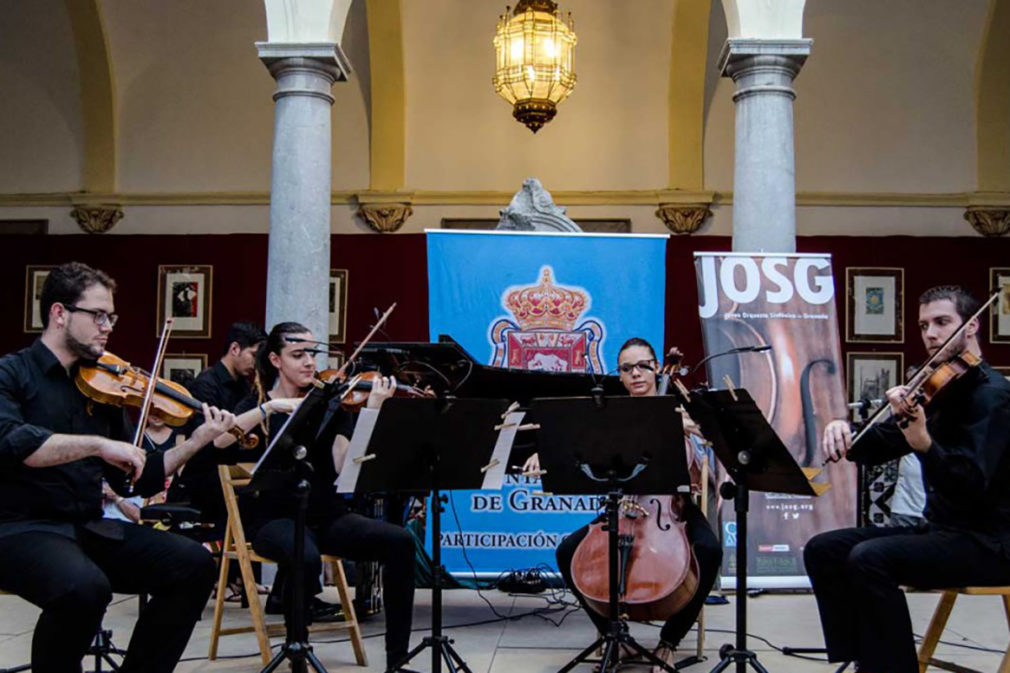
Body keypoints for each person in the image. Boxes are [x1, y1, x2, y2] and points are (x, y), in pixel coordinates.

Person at [0, 261, 237, 673]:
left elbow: (136, 478)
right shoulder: (10, 373)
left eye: (111, 316)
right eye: (98, 316)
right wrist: (99, 445)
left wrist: (197, 441)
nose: (107, 326)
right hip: (21, 528)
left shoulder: (105, 385)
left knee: (193, 565)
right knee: (85, 588)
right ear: (59, 313)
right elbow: (19, 445)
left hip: (87, 527)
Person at [806, 285, 1010, 673]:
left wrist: (924, 444)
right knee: (824, 549)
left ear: (971, 326)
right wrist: (844, 428)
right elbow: (873, 446)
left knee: (871, 558)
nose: (931, 334)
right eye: (924, 325)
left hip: (990, 544)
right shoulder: (939, 389)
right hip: (943, 532)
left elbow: (971, 485)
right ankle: (869, 661)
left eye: (942, 323)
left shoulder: (993, 398)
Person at [220, 321, 417, 671]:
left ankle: (396, 660)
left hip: (327, 515)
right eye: (298, 355)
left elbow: (342, 465)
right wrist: (268, 409)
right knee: (305, 555)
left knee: (400, 541)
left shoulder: (330, 402)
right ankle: (298, 654)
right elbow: (221, 440)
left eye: (312, 353)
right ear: (276, 360)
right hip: (271, 519)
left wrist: (370, 410)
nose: (309, 362)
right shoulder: (257, 401)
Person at [540, 337, 723, 670]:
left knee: (709, 551)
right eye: (627, 369)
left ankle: (670, 641)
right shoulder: (612, 416)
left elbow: (708, 456)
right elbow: (578, 446)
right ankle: (613, 634)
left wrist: (690, 430)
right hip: (623, 506)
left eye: (643, 366)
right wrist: (546, 454)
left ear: (656, 368)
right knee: (568, 551)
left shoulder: (679, 409)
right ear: (620, 377)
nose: (636, 374)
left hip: (672, 508)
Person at [190, 321, 265, 413]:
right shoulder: (205, 385)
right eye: (254, 355)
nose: (256, 363)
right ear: (234, 349)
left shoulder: (245, 384)